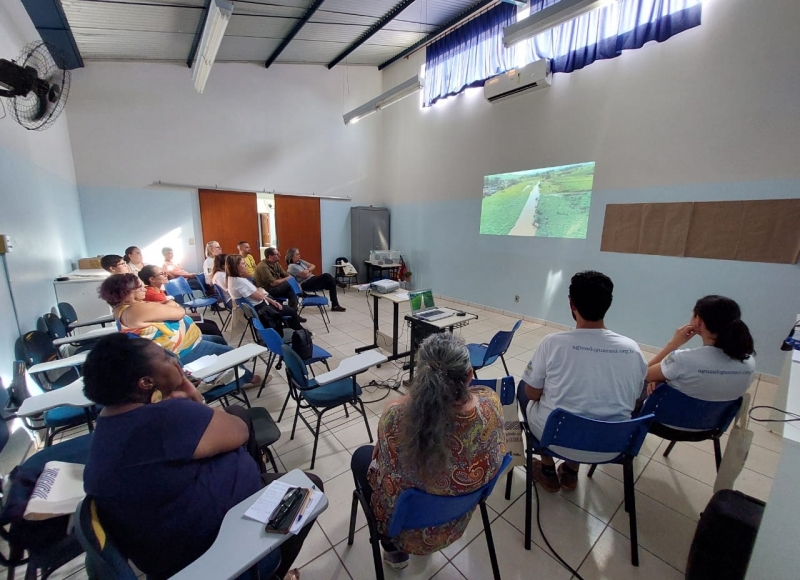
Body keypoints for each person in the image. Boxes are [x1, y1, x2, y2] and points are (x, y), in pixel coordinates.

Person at [82, 334, 320, 580]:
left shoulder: (109, 423)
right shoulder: (166, 418)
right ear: (145, 382)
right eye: (165, 357)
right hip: (217, 554)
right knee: (309, 487)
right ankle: (273, 571)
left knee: (237, 412)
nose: (173, 359)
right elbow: (240, 431)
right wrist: (190, 392)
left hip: (172, 547)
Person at [351, 333, 506, 569]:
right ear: (469, 376)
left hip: (404, 532)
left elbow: (380, 463)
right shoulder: (492, 404)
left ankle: (393, 549)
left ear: (421, 377)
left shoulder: (395, 420)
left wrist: (391, 407)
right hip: (458, 520)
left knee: (361, 457)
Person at [518, 270, 647, 492]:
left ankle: (547, 468)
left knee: (523, 388)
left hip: (556, 437)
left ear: (571, 304)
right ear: (608, 304)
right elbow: (637, 398)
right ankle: (570, 472)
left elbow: (532, 394)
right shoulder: (632, 349)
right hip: (611, 445)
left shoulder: (553, 343)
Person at [98, 274, 261, 383]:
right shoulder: (135, 310)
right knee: (229, 352)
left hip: (185, 344)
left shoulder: (122, 308)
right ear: (126, 292)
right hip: (181, 351)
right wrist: (170, 304)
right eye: (139, 287)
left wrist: (168, 306)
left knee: (217, 338)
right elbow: (179, 312)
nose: (144, 289)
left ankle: (229, 374)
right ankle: (245, 379)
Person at [645, 295, 756, 401]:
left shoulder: (682, 359)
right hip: (714, 420)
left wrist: (673, 344)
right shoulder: (749, 362)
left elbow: (644, 375)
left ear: (698, 321)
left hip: (666, 420)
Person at [139, 265, 226, 341]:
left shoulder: (156, 290)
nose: (166, 275)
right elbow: (174, 312)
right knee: (212, 328)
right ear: (151, 279)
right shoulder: (152, 294)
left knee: (211, 323)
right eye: (162, 273)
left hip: (174, 320)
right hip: (173, 326)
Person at [226, 255, 306, 331]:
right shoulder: (240, 282)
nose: (246, 265)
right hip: (262, 311)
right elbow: (260, 296)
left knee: (286, 298)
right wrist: (258, 286)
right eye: (243, 264)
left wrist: (271, 301)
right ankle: (300, 333)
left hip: (260, 306)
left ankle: (295, 330)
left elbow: (259, 295)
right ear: (235, 267)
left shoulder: (232, 279)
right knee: (291, 311)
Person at [285, 247, 346, 312]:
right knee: (327, 275)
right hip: (306, 283)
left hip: (312, 280)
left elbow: (313, 265)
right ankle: (337, 282)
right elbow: (305, 275)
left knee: (331, 283)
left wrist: (308, 270)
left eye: (299, 254)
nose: (299, 255)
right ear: (291, 256)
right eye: (297, 254)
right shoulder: (292, 266)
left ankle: (335, 305)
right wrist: (310, 271)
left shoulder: (301, 261)